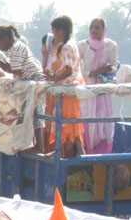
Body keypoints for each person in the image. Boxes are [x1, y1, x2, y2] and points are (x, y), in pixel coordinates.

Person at [43, 16, 85, 158]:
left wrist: (53, 78)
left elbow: (68, 70)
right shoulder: (72, 45)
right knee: (71, 123)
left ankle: (62, 152)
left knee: (66, 122)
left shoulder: (66, 47)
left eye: (54, 31)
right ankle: (74, 151)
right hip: (71, 89)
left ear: (60, 31)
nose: (53, 35)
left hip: (67, 89)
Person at [78, 18, 119, 154]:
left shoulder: (111, 46)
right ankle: (87, 152)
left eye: (97, 27)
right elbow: (76, 69)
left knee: (103, 121)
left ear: (103, 29)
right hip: (87, 88)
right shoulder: (82, 45)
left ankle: (101, 155)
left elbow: (114, 66)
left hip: (103, 89)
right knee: (87, 118)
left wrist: (107, 69)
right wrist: (92, 73)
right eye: (92, 27)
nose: (94, 30)